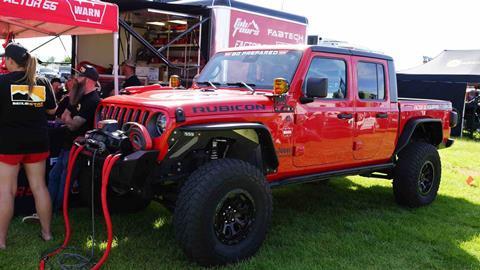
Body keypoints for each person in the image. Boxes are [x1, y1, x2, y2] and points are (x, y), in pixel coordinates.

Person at [0, 43, 57, 249]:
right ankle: (47, 234)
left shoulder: (2, 82)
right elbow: (52, 111)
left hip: (9, 144)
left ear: (10, 61)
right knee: (39, 187)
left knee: (5, 191)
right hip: (37, 142)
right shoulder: (41, 81)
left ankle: (1, 242)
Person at [48, 65, 101, 212]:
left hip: (78, 147)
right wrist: (69, 116)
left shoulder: (93, 100)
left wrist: (68, 117)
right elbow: (64, 117)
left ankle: (56, 208)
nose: (76, 79)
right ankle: (49, 206)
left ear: (88, 80)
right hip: (68, 143)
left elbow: (72, 125)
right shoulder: (79, 96)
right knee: (54, 175)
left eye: (80, 76)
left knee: (65, 178)